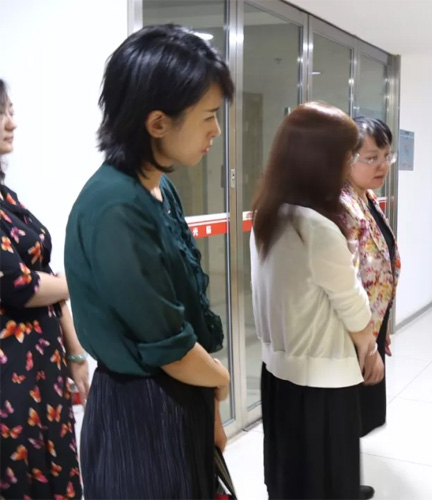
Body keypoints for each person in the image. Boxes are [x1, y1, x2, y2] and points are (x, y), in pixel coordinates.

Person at [64, 25, 234, 498]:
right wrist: (220, 381)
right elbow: (170, 348)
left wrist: (209, 402)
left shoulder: (160, 187)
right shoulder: (115, 206)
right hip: (140, 413)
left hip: (179, 395)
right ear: (157, 123)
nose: (216, 131)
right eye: (208, 117)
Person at [250, 102, 384, 500]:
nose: (348, 165)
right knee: (327, 481)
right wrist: (370, 348)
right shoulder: (317, 227)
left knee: (291, 476)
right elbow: (352, 305)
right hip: (322, 381)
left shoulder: (270, 213)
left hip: (279, 372)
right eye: (347, 155)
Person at [0, 79, 86, 500]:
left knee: (58, 475)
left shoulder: (8, 198)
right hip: (11, 381)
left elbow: (45, 277)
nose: (11, 123)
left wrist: (76, 353)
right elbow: (20, 285)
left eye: (11, 111)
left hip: (46, 368)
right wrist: (86, 278)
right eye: (1, 113)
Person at [341, 116, 401, 499]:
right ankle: (342, 486)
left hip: (371, 326)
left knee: (356, 413)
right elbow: (347, 281)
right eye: (371, 157)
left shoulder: (367, 198)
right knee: (346, 413)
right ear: (346, 158)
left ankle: (347, 480)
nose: (382, 165)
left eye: (386, 156)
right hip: (352, 333)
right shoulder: (342, 205)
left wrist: (383, 327)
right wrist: (367, 342)